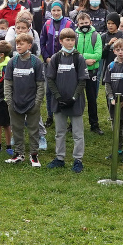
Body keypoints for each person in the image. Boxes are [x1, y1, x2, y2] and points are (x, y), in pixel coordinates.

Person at [46, 28, 88, 173]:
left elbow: (82, 81)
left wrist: (74, 97)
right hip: (59, 102)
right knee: (60, 132)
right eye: (67, 40)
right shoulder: (55, 58)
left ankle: (78, 160)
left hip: (75, 101)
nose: (70, 43)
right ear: (61, 41)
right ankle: (60, 158)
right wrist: (58, 97)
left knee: (77, 133)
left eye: (72, 40)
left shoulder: (79, 58)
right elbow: (50, 80)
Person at [3, 32, 45, 168]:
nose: (18, 46)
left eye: (22, 44)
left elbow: (40, 85)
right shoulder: (12, 62)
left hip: (32, 103)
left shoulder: (36, 62)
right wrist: (9, 101)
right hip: (15, 102)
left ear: (29, 45)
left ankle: (34, 155)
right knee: (17, 129)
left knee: (33, 130)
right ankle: (18, 154)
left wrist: (37, 102)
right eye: (17, 43)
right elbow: (7, 83)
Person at [104, 39, 123, 164]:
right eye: (118, 50)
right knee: (116, 128)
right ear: (114, 51)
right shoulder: (111, 66)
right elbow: (107, 83)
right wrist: (111, 98)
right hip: (114, 104)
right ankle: (118, 149)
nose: (120, 52)